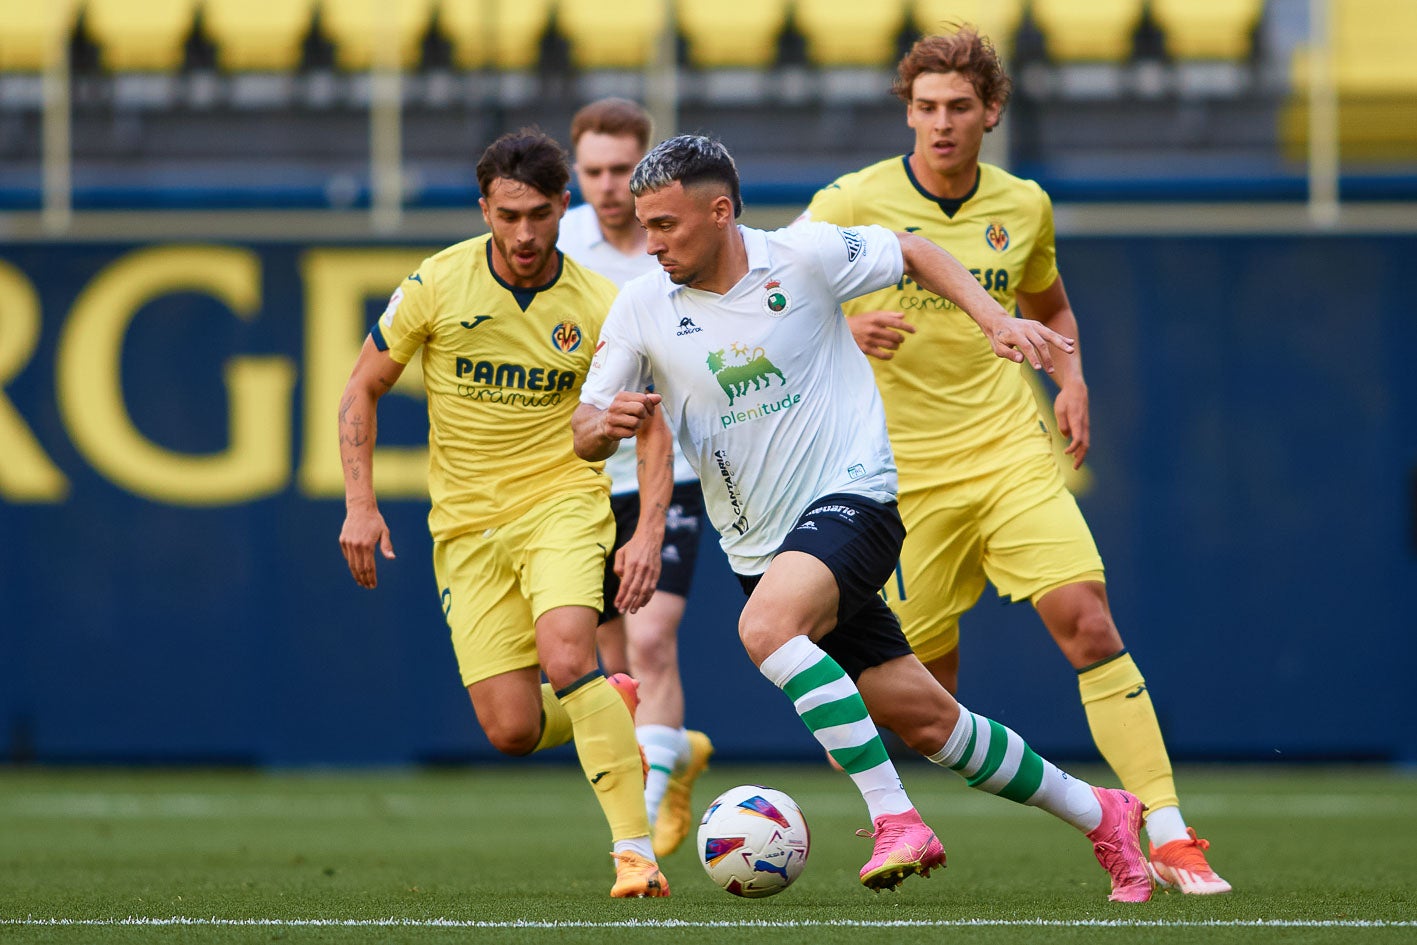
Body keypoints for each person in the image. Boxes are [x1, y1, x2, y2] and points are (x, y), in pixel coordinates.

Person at [572, 134, 1153, 902]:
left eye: (666, 225)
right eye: (644, 226)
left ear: (719, 213)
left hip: (858, 496)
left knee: (763, 632)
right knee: (927, 722)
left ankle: (894, 818)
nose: (651, 243)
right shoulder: (642, 304)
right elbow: (584, 429)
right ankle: (1102, 812)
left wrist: (991, 318)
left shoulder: (803, 255)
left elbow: (913, 250)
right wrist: (605, 422)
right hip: (761, 547)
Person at [798, 28, 1229, 894]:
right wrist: (842, 326)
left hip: (1006, 454)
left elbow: (1051, 306)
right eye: (925, 108)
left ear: (990, 110)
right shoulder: (850, 199)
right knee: (917, 703)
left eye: (959, 107)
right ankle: (935, 818)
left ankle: (1172, 832)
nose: (942, 124)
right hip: (897, 481)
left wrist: (1070, 379)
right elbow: (774, 301)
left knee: (1089, 623)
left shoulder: (1023, 204)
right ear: (907, 112)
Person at [337, 130, 673, 899]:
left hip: (563, 503)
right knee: (513, 729)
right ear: (485, 208)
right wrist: (361, 505)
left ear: (565, 207)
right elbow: (362, 385)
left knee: (565, 654)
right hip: (464, 528)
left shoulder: (599, 304)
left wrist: (647, 529)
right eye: (508, 215)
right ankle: (608, 705)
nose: (525, 234)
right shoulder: (436, 282)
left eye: (540, 215)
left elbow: (652, 421)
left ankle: (632, 852)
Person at [558, 98, 714, 859]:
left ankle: (645, 820)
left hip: (669, 469)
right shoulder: (553, 245)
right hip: (580, 478)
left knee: (651, 639)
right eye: (592, 170)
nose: (609, 184)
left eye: (623, 168)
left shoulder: (676, 243)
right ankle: (673, 759)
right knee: (610, 664)